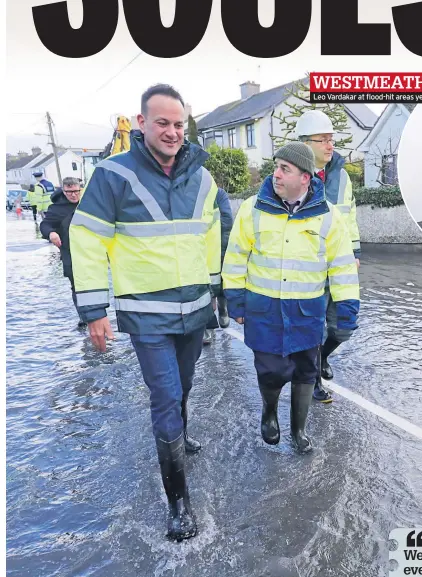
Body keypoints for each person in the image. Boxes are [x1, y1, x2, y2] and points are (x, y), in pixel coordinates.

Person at [69, 84, 221, 542]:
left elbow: (212, 234)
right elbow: (87, 240)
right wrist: (94, 309)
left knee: (185, 385)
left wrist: (217, 291)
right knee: (165, 396)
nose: (173, 132)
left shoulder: (203, 177)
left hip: (194, 309)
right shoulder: (113, 174)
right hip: (146, 313)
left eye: (178, 124)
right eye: (162, 123)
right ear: (141, 123)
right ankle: (179, 503)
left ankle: (182, 433)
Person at [222, 142, 359, 453]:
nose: (276, 175)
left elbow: (342, 267)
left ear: (305, 178)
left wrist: (347, 308)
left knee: (305, 371)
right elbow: (235, 258)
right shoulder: (252, 209)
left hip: (306, 312)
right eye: (275, 167)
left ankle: (299, 430)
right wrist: (236, 300)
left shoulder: (328, 216)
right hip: (264, 311)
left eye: (285, 169)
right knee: (270, 370)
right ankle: (269, 412)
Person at [295, 109, 361, 403]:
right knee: (312, 328)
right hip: (308, 269)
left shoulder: (342, 177)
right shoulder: (294, 177)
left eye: (330, 139)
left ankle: (321, 359)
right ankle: (314, 379)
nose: (329, 145)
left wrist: (355, 251)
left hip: (339, 267)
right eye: (322, 140)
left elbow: (350, 217)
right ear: (305, 143)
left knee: (342, 327)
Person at [40, 177, 87, 327]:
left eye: (76, 191)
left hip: (90, 252)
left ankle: (97, 315)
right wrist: (51, 234)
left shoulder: (88, 202)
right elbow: (45, 225)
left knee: (93, 284)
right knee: (76, 286)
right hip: (70, 253)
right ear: (63, 191)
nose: (73, 195)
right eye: (69, 192)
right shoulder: (56, 209)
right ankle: (83, 317)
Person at [203, 186, 233, 344]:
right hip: (207, 243)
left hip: (218, 243)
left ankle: (221, 310)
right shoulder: (194, 192)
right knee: (207, 284)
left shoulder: (218, 193)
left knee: (214, 282)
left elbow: (227, 220)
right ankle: (211, 324)